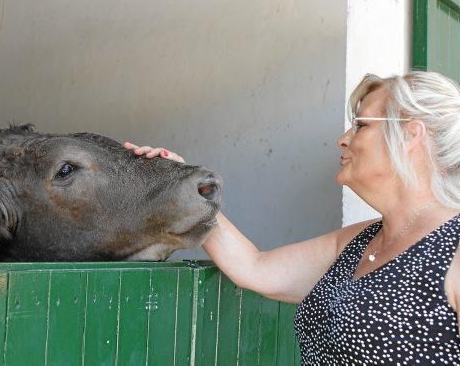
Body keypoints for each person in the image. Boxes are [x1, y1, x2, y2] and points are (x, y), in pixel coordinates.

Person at [124, 71, 460, 364]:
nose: (343, 140)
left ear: (410, 135)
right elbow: (254, 267)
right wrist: (184, 185)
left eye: (361, 125)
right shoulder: (357, 242)